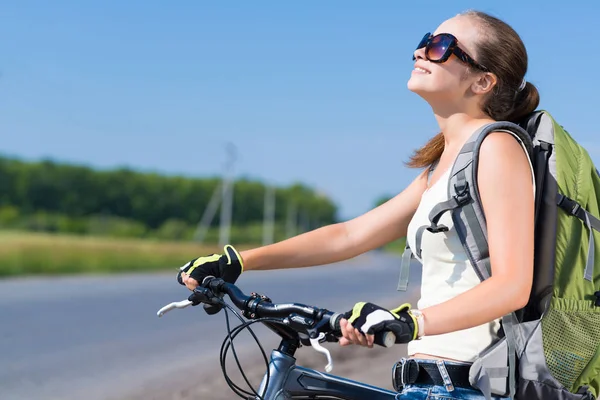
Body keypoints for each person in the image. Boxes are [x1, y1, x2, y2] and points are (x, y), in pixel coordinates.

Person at [177, 9, 539, 400]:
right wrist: (240, 261)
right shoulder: (444, 165)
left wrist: (410, 322)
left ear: (483, 80)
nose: (421, 51)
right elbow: (350, 235)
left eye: (441, 47)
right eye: (424, 40)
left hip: (465, 385)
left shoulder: (498, 148)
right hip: (426, 383)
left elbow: (513, 285)